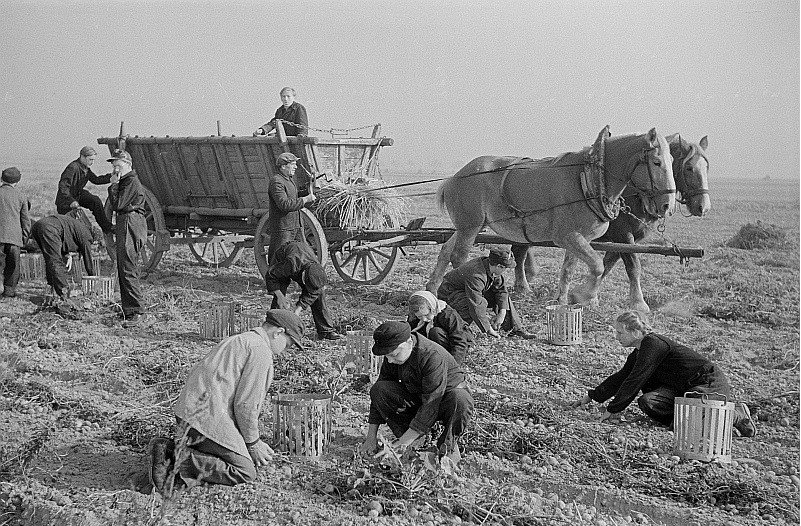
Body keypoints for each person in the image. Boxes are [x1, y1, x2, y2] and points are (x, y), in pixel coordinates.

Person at [148, 310, 305, 492]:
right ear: (278, 332)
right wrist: (253, 444)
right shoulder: (261, 351)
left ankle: (181, 452)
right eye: (288, 344)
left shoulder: (241, 339)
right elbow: (245, 405)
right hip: (205, 420)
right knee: (244, 471)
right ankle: (172, 457)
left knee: (236, 450)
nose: (286, 351)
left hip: (188, 414)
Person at [570, 311, 757, 437]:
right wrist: (591, 397)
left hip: (706, 384)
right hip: (681, 389)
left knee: (688, 429)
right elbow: (622, 377)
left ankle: (734, 414)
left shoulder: (653, 343)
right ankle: (686, 421)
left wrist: (613, 409)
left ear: (635, 332)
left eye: (620, 333)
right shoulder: (639, 352)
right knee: (648, 402)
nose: (616, 337)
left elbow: (636, 379)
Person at [358, 321, 474, 463]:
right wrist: (371, 438)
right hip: (419, 398)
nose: (390, 360)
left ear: (408, 343)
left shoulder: (431, 355)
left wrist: (401, 443)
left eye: (394, 355)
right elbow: (377, 397)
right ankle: (414, 439)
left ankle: (447, 448)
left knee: (460, 399)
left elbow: (432, 403)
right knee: (380, 389)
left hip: (443, 400)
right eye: (387, 356)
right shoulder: (394, 356)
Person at [436, 248, 534, 339]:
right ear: (499, 266)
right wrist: (488, 329)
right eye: (505, 268)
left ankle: (516, 329)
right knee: (475, 304)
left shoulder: (491, 266)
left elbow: (501, 290)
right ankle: (458, 333)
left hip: (467, 290)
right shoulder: (476, 274)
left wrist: (502, 313)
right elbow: (476, 304)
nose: (505, 271)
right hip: (450, 294)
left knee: (503, 298)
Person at [263, 240, 342, 340]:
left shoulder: (316, 269)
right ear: (303, 276)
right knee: (280, 293)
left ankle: (325, 330)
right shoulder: (291, 264)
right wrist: (280, 296)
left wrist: (298, 309)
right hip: (284, 256)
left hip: (303, 258)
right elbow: (271, 275)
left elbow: (313, 292)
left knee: (319, 292)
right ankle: (272, 328)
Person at [106, 149, 146, 323]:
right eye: (114, 166)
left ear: (128, 165)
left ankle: (136, 311)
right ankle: (129, 310)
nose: (115, 169)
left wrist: (113, 185)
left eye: (118, 166)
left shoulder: (130, 181)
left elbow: (118, 204)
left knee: (128, 267)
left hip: (130, 223)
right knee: (124, 267)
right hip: (127, 223)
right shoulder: (126, 180)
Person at [55, 146, 115, 257]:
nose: (92, 162)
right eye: (90, 159)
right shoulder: (73, 168)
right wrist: (71, 201)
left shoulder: (86, 169)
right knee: (69, 227)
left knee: (95, 201)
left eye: (93, 160)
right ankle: (66, 252)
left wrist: (110, 177)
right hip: (65, 200)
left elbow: (96, 180)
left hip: (77, 195)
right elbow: (63, 187)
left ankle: (106, 227)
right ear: (82, 157)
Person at [30, 211, 97, 303]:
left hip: (39, 226)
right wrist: (92, 276)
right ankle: (64, 294)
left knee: (50, 259)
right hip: (50, 228)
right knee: (55, 262)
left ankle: (52, 290)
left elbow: (65, 239)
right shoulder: (87, 236)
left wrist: (67, 255)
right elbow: (87, 256)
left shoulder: (79, 228)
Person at [267, 152, 316, 263]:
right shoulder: (276, 181)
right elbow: (284, 204)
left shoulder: (288, 180)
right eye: (292, 164)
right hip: (283, 229)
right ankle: (274, 280)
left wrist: (308, 191)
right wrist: (305, 199)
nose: (296, 167)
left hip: (295, 227)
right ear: (283, 166)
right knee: (278, 259)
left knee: (300, 257)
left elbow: (293, 196)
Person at [407, 291, 473, 364]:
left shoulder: (447, 314)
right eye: (419, 316)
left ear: (432, 308)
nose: (424, 319)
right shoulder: (414, 317)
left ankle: (442, 359)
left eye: (426, 315)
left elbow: (460, 340)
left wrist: (453, 365)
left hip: (453, 342)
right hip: (432, 344)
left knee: (435, 332)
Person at [0, 168, 31, 299]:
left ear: (2, 179)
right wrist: (23, 239)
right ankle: (8, 291)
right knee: (13, 267)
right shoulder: (21, 196)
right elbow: (26, 221)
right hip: (14, 238)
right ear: (17, 182)